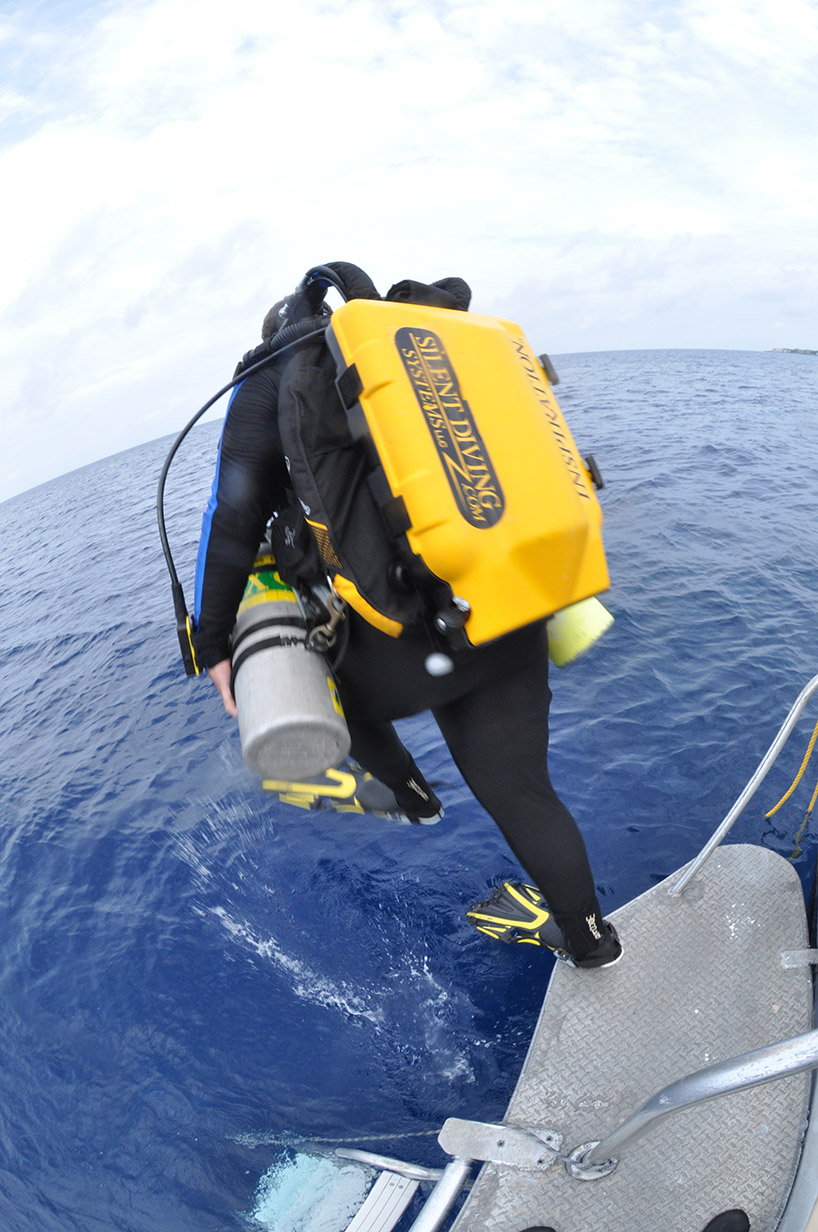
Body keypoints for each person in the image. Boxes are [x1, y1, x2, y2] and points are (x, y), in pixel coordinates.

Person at [192, 267, 621, 970]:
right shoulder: (415, 348)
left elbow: (232, 517)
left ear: (274, 337)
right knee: (524, 794)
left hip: (401, 655)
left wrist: (212, 642)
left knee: (318, 670)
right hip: (498, 610)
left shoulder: (271, 379)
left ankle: (409, 794)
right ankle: (592, 941)